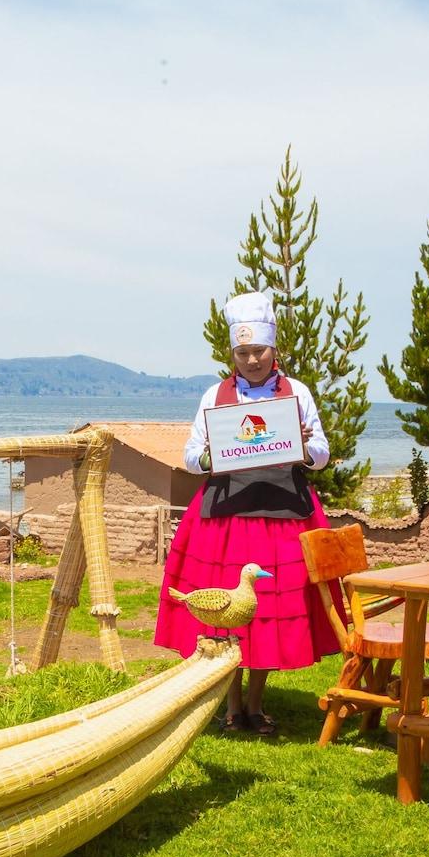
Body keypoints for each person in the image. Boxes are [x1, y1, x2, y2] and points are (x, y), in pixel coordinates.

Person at [153, 290, 341, 733]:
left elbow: (321, 454)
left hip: (283, 513)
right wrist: (213, 457)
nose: (252, 359)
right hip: (226, 517)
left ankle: (256, 704)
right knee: (224, 606)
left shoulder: (297, 392)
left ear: (273, 348)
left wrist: (302, 444)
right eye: (243, 352)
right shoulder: (213, 396)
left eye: (258, 350)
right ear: (232, 353)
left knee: (270, 608)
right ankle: (231, 704)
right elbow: (191, 457)